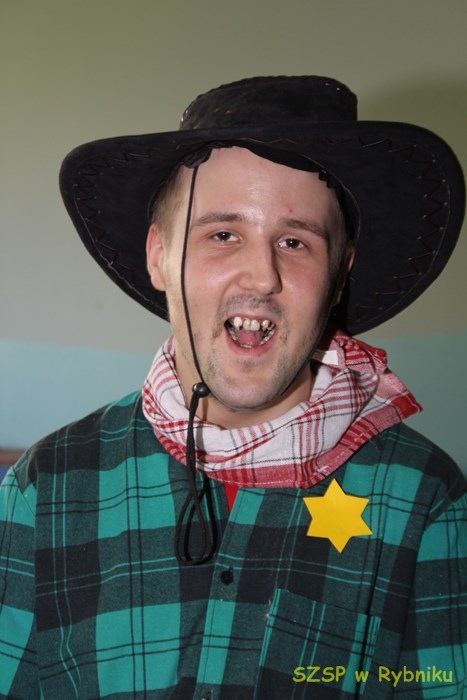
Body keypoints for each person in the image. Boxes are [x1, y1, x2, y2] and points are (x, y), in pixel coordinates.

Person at [0, 76, 465, 699]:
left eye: (296, 241)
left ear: (339, 275)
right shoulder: (48, 487)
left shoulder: (424, 499)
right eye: (223, 234)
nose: (261, 275)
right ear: (159, 255)